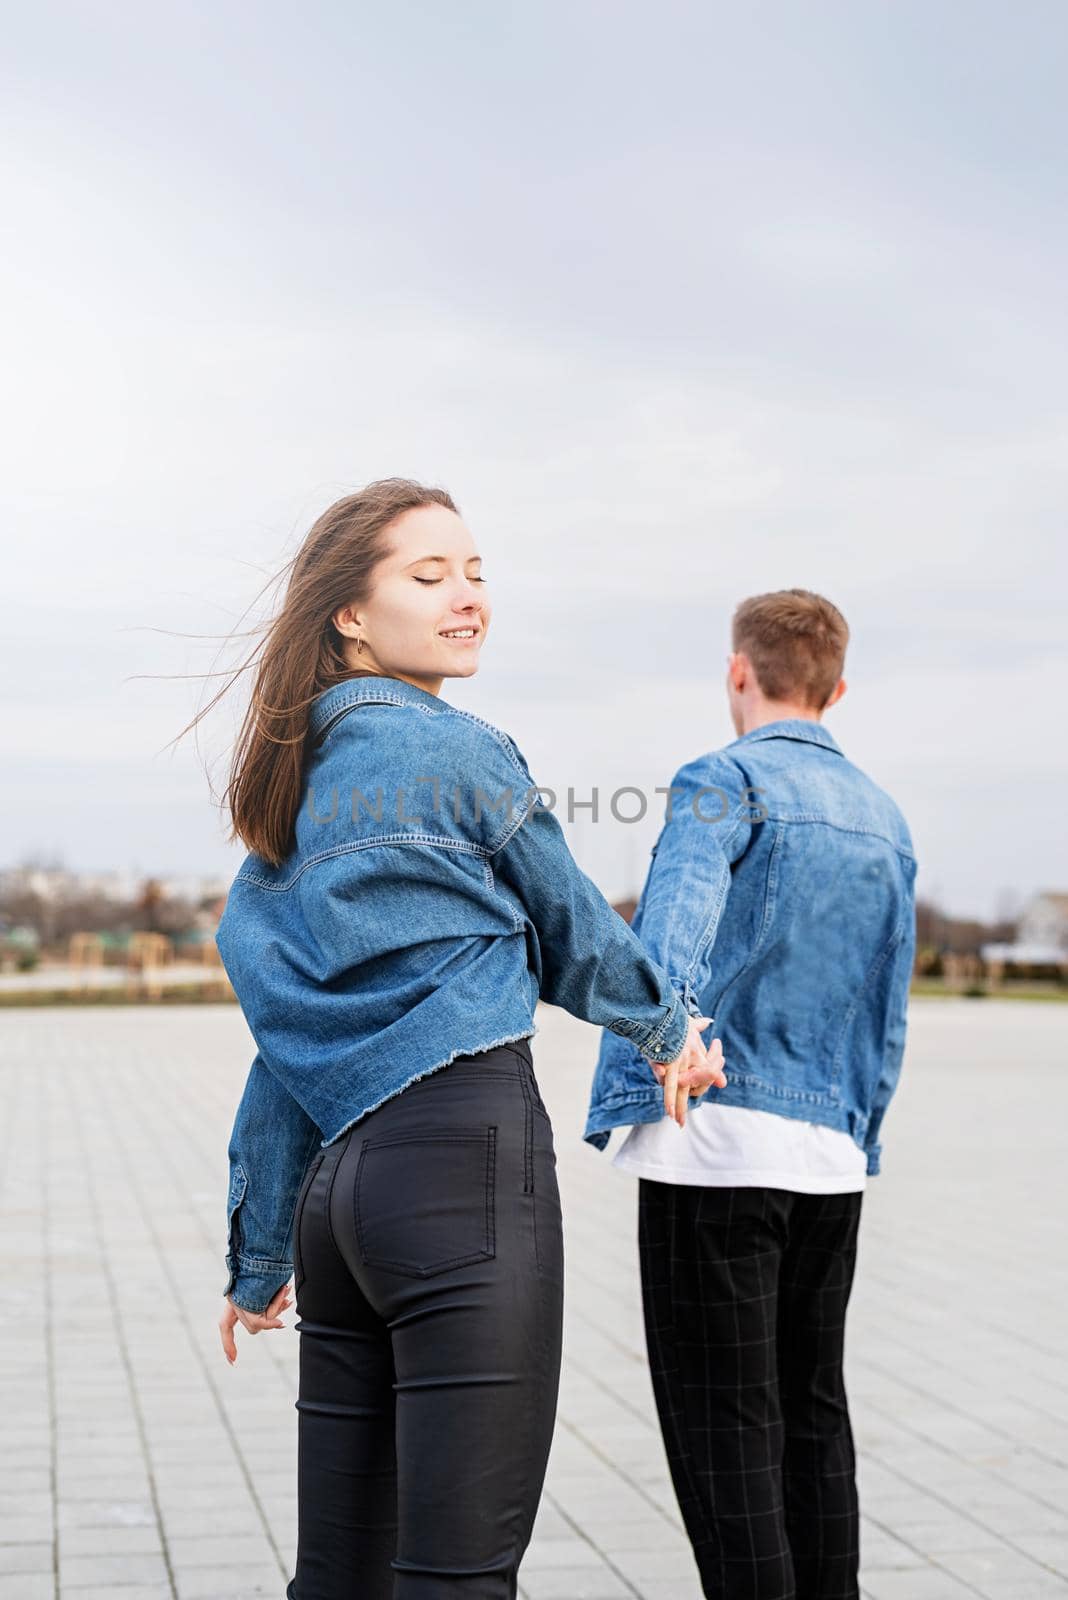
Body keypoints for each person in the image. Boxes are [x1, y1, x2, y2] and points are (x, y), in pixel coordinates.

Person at [205, 477, 726, 1600]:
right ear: (349, 611)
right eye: (429, 574)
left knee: (336, 1578)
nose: (468, 597)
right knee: (457, 1577)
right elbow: (577, 928)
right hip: (460, 1174)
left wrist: (260, 1257)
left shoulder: (289, 806)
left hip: (341, 1208)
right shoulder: (461, 751)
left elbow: (291, 1050)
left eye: (478, 572)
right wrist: (669, 1030)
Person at [583, 588, 917, 1600]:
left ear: (739, 672)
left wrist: (667, 1032)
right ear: (838, 687)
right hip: (830, 1158)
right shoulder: (886, 820)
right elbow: (886, 1011)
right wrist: (859, 1133)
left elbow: (673, 922)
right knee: (813, 1413)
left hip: (714, 1139)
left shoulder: (719, 779)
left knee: (725, 1431)